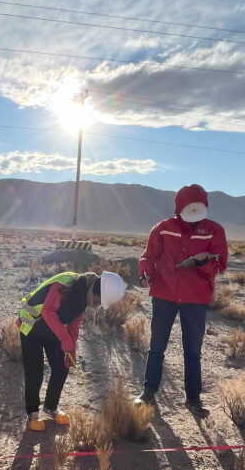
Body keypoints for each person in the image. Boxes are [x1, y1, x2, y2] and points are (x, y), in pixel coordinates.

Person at [135, 184, 228, 415]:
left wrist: (203, 262)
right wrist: (145, 274)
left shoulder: (215, 230)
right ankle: (148, 392)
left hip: (195, 299)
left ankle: (193, 399)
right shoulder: (163, 228)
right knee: (157, 346)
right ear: (179, 207)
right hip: (164, 295)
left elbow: (221, 263)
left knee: (193, 350)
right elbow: (148, 256)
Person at [18, 270, 126, 431]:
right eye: (98, 301)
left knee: (62, 368)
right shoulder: (65, 285)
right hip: (32, 328)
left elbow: (74, 326)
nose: (97, 305)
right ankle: (33, 414)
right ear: (96, 290)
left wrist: (71, 350)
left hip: (51, 330)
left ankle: (51, 408)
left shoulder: (84, 297)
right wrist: (64, 339)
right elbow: (48, 311)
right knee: (35, 371)